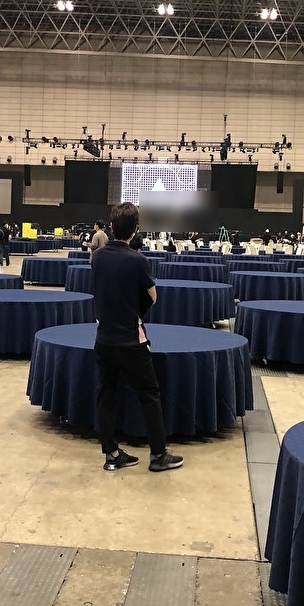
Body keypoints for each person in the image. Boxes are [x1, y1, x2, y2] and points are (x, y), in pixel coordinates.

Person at [91, 202, 182, 473]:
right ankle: (158, 454)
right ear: (135, 230)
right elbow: (153, 296)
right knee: (150, 395)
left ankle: (111, 453)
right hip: (131, 340)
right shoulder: (137, 260)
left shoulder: (97, 257)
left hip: (104, 338)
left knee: (106, 395)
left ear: (111, 226)